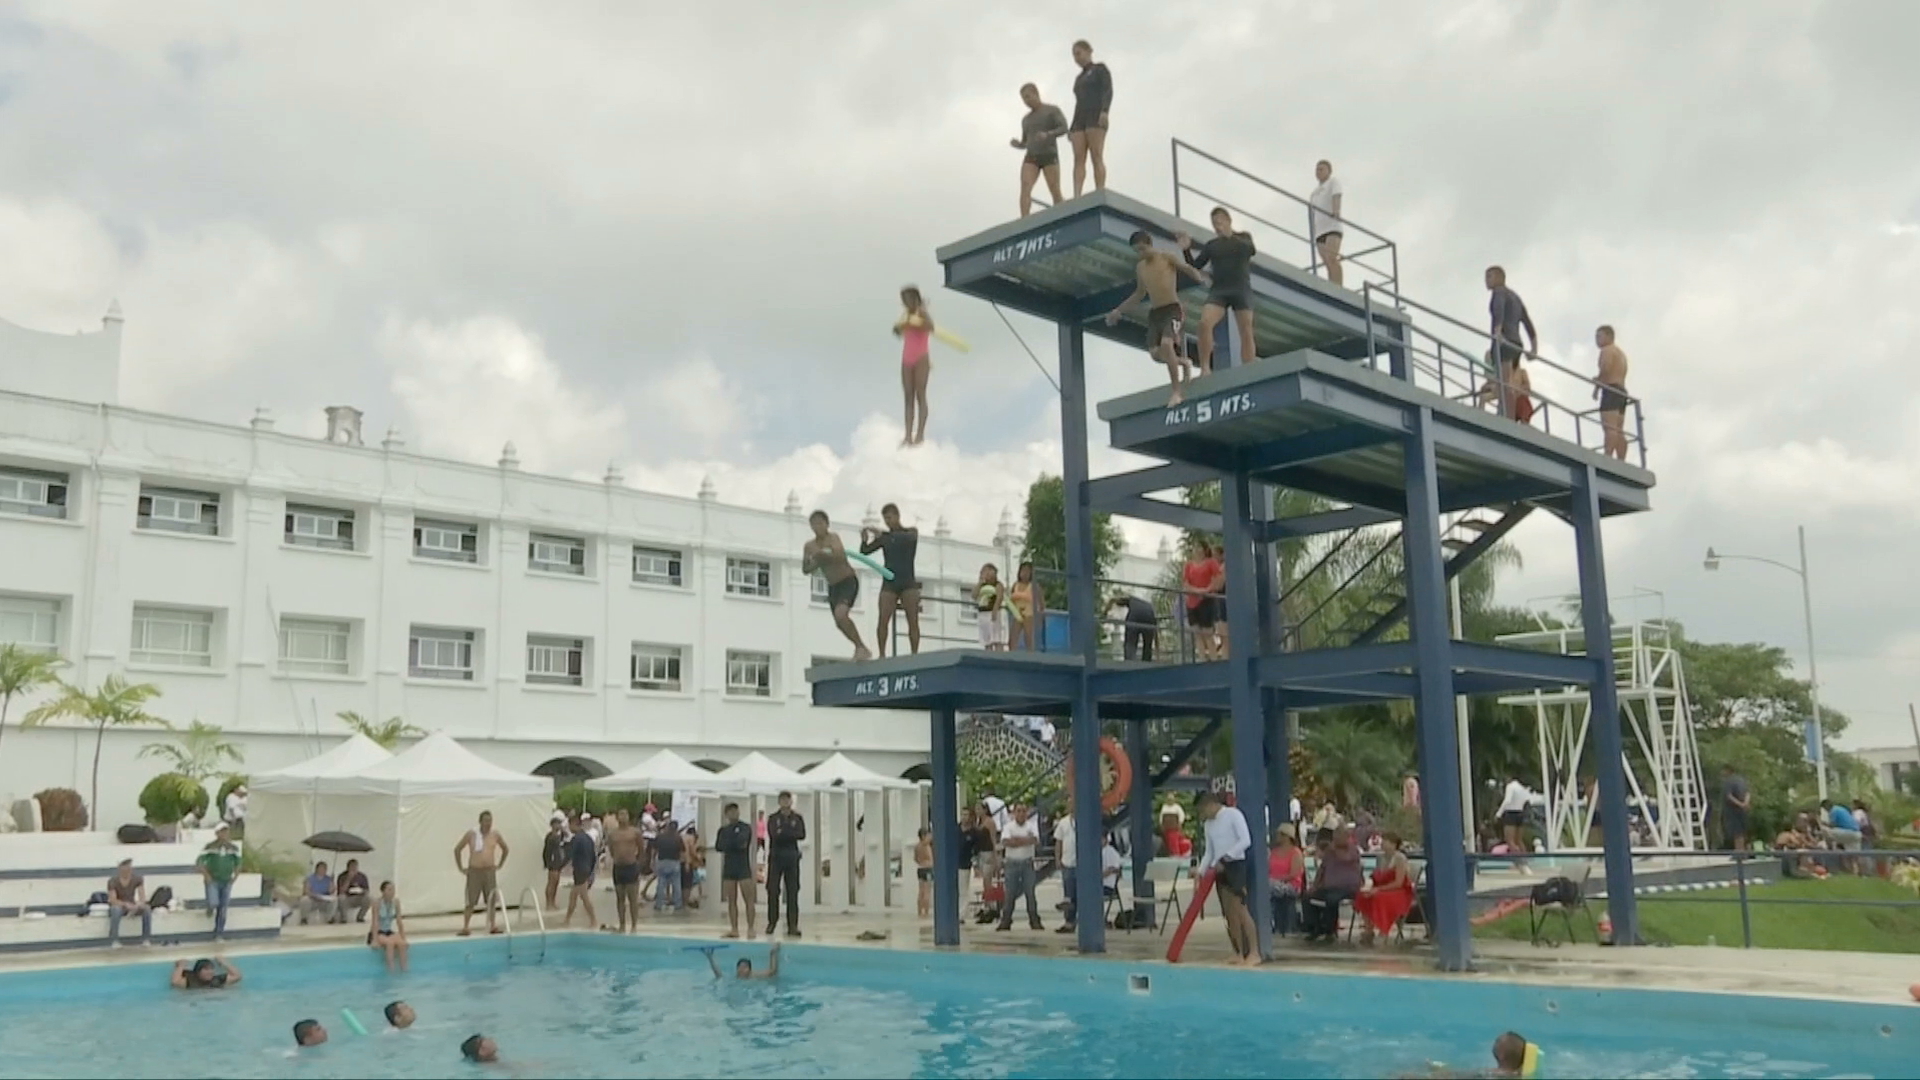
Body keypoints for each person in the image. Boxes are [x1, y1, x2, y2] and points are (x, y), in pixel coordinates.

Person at [1105, 229, 1210, 404]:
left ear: (1150, 245)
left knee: (1167, 344)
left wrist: (1197, 276)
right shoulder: (1140, 268)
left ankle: (1176, 392)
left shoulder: (1166, 257)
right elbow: (1139, 294)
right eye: (1136, 251)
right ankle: (1182, 363)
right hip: (1156, 313)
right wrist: (1119, 310)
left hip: (1173, 310)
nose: (1141, 254)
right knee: (1155, 354)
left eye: (1142, 249)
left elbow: (1185, 268)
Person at [1178, 209, 1258, 374]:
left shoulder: (1243, 238)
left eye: (1220, 222)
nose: (1217, 226)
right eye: (1214, 224)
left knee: (1246, 328)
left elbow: (1250, 250)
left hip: (1240, 288)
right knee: (1204, 323)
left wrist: (1230, 236)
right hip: (1220, 290)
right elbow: (1196, 265)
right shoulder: (1212, 245)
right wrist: (1186, 250)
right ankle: (1205, 367)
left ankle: (1249, 367)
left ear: (1228, 221)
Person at [1196, 791, 1258, 965]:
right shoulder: (1208, 824)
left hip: (1235, 865)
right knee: (1229, 913)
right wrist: (1201, 871)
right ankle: (1237, 951)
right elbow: (1209, 851)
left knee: (1240, 910)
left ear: (1209, 804)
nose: (1202, 815)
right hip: (1219, 867)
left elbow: (1245, 840)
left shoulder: (1233, 814)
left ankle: (1254, 952)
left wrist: (1226, 857)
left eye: (1202, 810)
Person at [803, 510, 872, 660]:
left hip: (847, 581)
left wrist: (824, 555)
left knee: (841, 615)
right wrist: (815, 562)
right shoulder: (809, 546)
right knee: (839, 623)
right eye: (814, 524)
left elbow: (840, 556)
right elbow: (805, 569)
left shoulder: (833, 538)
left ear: (827, 524)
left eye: (820, 523)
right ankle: (860, 646)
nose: (817, 527)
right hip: (833, 586)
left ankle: (860, 647)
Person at [862, 503, 923, 656]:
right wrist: (864, 540)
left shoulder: (910, 533)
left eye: (889, 518)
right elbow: (865, 552)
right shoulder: (886, 537)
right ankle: (882, 653)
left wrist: (882, 535)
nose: (888, 521)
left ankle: (914, 653)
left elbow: (904, 539)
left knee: (912, 620)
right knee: (883, 619)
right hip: (890, 582)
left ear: (897, 516)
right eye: (885, 519)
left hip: (908, 581)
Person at [1012, 82, 1068, 217]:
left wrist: (1048, 134)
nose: (1026, 101)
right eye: (1024, 99)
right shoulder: (1026, 119)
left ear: (1036, 94)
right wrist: (1018, 144)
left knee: (1054, 189)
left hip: (1049, 154)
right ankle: (1024, 219)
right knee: (1025, 187)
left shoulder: (1052, 110)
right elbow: (1026, 142)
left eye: (1028, 97)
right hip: (1032, 156)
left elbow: (1064, 128)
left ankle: (1061, 215)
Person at [1352, 831, 1416, 944]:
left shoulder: (1400, 858)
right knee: (1362, 896)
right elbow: (1377, 877)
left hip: (1399, 891)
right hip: (1383, 888)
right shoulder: (1381, 858)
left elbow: (1398, 883)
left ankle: (1383, 931)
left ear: (1393, 844)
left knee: (1379, 898)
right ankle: (1368, 930)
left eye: (1385, 842)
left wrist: (1378, 889)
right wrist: (1369, 886)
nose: (1382, 844)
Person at [1302, 826, 1365, 941]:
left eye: (1339, 837)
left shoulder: (1353, 850)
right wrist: (1315, 886)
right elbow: (1322, 869)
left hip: (1348, 888)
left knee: (1331, 899)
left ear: (1346, 837)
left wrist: (1334, 849)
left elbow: (1345, 859)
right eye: (1335, 837)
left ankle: (1330, 930)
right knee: (1307, 897)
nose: (1335, 839)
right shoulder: (1329, 852)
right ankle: (1315, 928)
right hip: (1329, 887)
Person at [454, 810, 509, 936]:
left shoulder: (495, 834)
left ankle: (493, 925)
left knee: (491, 900)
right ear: (480, 822)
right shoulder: (472, 834)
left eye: (490, 821)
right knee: (470, 900)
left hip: (489, 871)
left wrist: (500, 865)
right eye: (485, 821)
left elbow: (505, 848)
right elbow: (457, 849)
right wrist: (461, 868)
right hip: (475, 871)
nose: (488, 823)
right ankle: (466, 926)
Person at [1067, 40, 1111, 197]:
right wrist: (1072, 127)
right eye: (1074, 55)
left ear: (1088, 51)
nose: (1076, 58)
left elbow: (1107, 90)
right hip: (1080, 118)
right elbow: (1078, 103)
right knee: (1078, 158)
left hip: (1095, 115)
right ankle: (1077, 194)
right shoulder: (1078, 79)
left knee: (1096, 154)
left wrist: (1105, 111)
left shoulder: (1100, 69)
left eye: (1078, 53)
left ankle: (1100, 189)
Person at [893, 287, 935, 447]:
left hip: (921, 357)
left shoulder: (921, 313)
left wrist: (921, 320)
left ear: (916, 300)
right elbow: (900, 331)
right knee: (908, 396)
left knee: (920, 394)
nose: (906, 303)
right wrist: (898, 329)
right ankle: (907, 435)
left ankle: (920, 434)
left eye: (908, 300)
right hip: (907, 358)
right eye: (904, 301)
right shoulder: (906, 317)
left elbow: (931, 327)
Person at [996, 803, 1043, 931]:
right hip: (1012, 863)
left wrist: (1016, 840)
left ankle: (1034, 920)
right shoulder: (1008, 827)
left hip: (1028, 863)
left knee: (1030, 893)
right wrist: (1024, 840)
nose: (1021, 813)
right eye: (1018, 811)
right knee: (1010, 893)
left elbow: (1034, 840)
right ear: (1014, 813)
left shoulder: (1031, 826)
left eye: (1023, 811)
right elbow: (1006, 842)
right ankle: (1006, 921)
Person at [766, 791, 807, 937]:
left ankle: (793, 925)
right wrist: (788, 833)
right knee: (772, 890)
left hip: (791, 858)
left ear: (791, 801)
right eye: (782, 800)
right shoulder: (773, 818)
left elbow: (801, 834)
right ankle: (772, 921)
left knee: (792, 891)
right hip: (776, 858)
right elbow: (774, 835)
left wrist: (784, 832)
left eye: (787, 799)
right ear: (779, 801)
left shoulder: (797, 818)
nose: (785, 802)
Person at [715, 802, 756, 938]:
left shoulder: (745, 828)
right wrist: (733, 843)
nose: (734, 814)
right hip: (729, 867)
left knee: (748, 899)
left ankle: (750, 928)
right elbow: (719, 846)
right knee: (731, 900)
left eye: (735, 811)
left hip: (743, 866)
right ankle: (734, 928)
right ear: (726, 815)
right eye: (730, 812)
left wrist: (730, 843)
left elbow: (742, 843)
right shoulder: (723, 830)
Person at [196, 823, 242, 940]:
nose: (225, 834)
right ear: (217, 833)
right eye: (222, 832)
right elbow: (200, 861)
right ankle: (210, 907)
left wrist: (234, 877)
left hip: (226, 880)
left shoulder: (233, 848)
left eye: (226, 832)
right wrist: (206, 875)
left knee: (223, 908)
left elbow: (238, 863)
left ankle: (219, 933)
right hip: (213, 880)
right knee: (213, 902)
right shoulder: (210, 846)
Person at [1593, 324, 1631, 460]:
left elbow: (1606, 368)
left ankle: (1608, 455)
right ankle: (1621, 458)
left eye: (1599, 336)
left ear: (1609, 336)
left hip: (1611, 389)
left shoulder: (1607, 351)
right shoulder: (1620, 354)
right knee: (1618, 429)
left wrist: (1598, 384)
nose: (1596, 340)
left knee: (1609, 426)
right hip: (1621, 390)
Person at [1182, 543, 1225, 660]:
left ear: (1204, 550)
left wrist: (1206, 590)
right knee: (1197, 634)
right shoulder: (1189, 565)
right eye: (1195, 548)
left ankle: (1214, 661)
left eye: (1199, 547)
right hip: (1192, 601)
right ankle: (1202, 659)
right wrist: (1196, 590)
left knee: (1207, 634)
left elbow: (1219, 580)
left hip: (1206, 600)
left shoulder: (1211, 562)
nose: (1197, 550)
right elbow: (1185, 583)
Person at [607, 808, 644, 933]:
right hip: (618, 867)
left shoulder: (634, 832)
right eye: (620, 814)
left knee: (633, 898)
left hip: (631, 866)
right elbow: (611, 850)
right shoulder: (613, 834)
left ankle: (634, 925)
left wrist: (637, 862)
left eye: (625, 814)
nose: (622, 817)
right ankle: (622, 925)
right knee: (620, 898)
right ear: (617, 818)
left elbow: (641, 848)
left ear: (628, 817)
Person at [1309, 160, 1345, 286]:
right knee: (1327, 262)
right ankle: (1332, 285)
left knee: (1332, 258)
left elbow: (1336, 196)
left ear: (1329, 171)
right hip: (1320, 231)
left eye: (1321, 169)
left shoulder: (1333, 182)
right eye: (1317, 170)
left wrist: (1336, 211)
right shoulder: (1314, 193)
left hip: (1332, 227)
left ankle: (1339, 286)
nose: (1318, 172)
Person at [105, 858, 152, 947]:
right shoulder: (113, 881)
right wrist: (125, 904)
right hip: (120, 905)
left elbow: (142, 896)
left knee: (147, 909)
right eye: (124, 869)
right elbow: (113, 900)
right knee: (115, 910)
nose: (127, 871)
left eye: (128, 869)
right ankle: (114, 939)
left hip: (132, 904)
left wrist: (139, 904)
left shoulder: (137, 879)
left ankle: (146, 938)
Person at [1268, 826, 1306, 936]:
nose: (1277, 837)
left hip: (1291, 885)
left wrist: (1276, 880)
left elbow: (1294, 874)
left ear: (1287, 836)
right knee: (1267, 888)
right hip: (1273, 884)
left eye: (1279, 834)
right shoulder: (1273, 852)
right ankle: (1272, 923)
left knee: (1268, 887)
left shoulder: (1295, 853)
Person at [1106, 592, 1159, 662]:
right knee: (1147, 644)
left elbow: (1115, 600)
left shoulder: (1130, 600)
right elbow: (1155, 631)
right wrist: (1157, 647)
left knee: (1130, 642)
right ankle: (1146, 662)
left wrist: (1105, 611)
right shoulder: (1147, 605)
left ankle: (1130, 662)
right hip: (1149, 614)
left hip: (1135, 614)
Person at [370, 880, 409, 972]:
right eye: (389, 890)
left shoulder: (396, 902)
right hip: (379, 932)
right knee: (390, 944)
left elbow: (399, 921)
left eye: (393, 890)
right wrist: (374, 940)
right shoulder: (377, 903)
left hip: (389, 931)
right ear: (383, 891)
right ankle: (391, 970)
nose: (392, 892)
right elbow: (375, 921)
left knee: (402, 944)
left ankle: (404, 970)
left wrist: (404, 937)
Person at [650, 815, 685, 913]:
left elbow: (654, 850)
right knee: (676, 885)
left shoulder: (660, 836)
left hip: (662, 862)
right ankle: (678, 904)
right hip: (674, 862)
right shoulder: (678, 838)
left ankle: (659, 904)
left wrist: (652, 861)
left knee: (661, 884)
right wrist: (681, 862)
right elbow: (682, 852)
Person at [1052, 805, 1078, 934]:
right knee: (1069, 893)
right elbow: (1059, 842)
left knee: (1079, 894)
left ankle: (1080, 920)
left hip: (1081, 864)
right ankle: (1069, 922)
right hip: (1067, 862)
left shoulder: (1084, 820)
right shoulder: (1063, 822)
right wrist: (1058, 858)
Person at [1007, 561, 1044, 651]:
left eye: (1027, 571)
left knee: (1028, 637)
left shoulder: (1034, 586)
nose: (1025, 574)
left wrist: (1041, 617)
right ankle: (1012, 655)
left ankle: (1030, 655)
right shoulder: (1015, 585)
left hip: (1029, 613)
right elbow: (1010, 599)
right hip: (1017, 613)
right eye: (1023, 571)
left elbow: (1041, 602)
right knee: (1013, 637)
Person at [1496, 777, 1531, 867]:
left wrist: (1499, 813)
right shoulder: (1521, 788)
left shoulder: (1510, 787)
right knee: (1519, 840)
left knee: (1510, 840)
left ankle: (1519, 862)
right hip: (1520, 812)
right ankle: (1525, 861)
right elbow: (1526, 800)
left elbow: (1507, 800)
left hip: (1511, 813)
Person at [706, 942, 781, 980]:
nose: (741, 970)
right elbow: (719, 975)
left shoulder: (755, 976)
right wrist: (710, 958)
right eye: (740, 967)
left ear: (750, 970)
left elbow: (773, 971)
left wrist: (773, 953)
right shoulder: (734, 978)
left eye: (745, 967)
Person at [975, 563, 1007, 651]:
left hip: (992, 611)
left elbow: (999, 597)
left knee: (996, 637)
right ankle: (988, 651)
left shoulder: (998, 584)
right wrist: (980, 582)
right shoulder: (982, 585)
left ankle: (999, 653)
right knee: (986, 639)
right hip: (983, 612)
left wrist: (995, 610)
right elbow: (974, 595)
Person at [1719, 765, 1751, 851]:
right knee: (1741, 833)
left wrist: (1740, 804)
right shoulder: (1742, 780)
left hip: (1732, 811)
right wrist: (1745, 803)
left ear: (1728, 771)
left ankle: (1739, 853)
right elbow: (1748, 793)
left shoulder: (1728, 781)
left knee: (1736, 833)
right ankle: (1742, 851)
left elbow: (1729, 796)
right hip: (1743, 811)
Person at [541, 816, 569, 910]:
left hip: (558, 862)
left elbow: (565, 839)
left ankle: (553, 901)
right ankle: (548, 903)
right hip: (553, 862)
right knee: (551, 883)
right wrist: (547, 862)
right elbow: (547, 851)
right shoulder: (551, 837)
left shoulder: (558, 835)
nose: (559, 825)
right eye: (557, 824)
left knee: (556, 883)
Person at [300, 860, 337, 925]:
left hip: (324, 900)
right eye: (321, 868)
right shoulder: (310, 878)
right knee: (305, 899)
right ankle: (304, 918)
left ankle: (330, 918)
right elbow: (306, 891)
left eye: (324, 869)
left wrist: (332, 883)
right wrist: (315, 895)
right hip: (313, 900)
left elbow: (331, 891)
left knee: (334, 900)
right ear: (317, 869)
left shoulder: (328, 879)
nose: (323, 870)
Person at [170, 956, 241, 989]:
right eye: (206, 969)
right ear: (198, 971)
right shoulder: (190, 981)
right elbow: (175, 982)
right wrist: (181, 966)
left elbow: (237, 976)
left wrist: (223, 963)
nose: (210, 972)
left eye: (211, 969)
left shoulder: (217, 980)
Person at [337, 858, 371, 923]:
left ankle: (360, 917)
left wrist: (361, 891)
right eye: (352, 867)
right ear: (348, 868)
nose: (354, 869)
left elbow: (367, 890)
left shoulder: (362, 876)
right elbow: (341, 891)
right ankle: (344, 919)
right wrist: (348, 879)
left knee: (369, 898)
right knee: (341, 898)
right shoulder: (342, 876)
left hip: (359, 897)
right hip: (347, 898)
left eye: (355, 867)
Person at [914, 827, 933, 918]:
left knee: (920, 891)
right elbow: (930, 859)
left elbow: (915, 859)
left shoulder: (917, 846)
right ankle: (926, 912)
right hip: (927, 869)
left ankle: (919, 912)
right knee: (927, 892)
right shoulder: (926, 846)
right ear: (923, 836)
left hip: (920, 868)